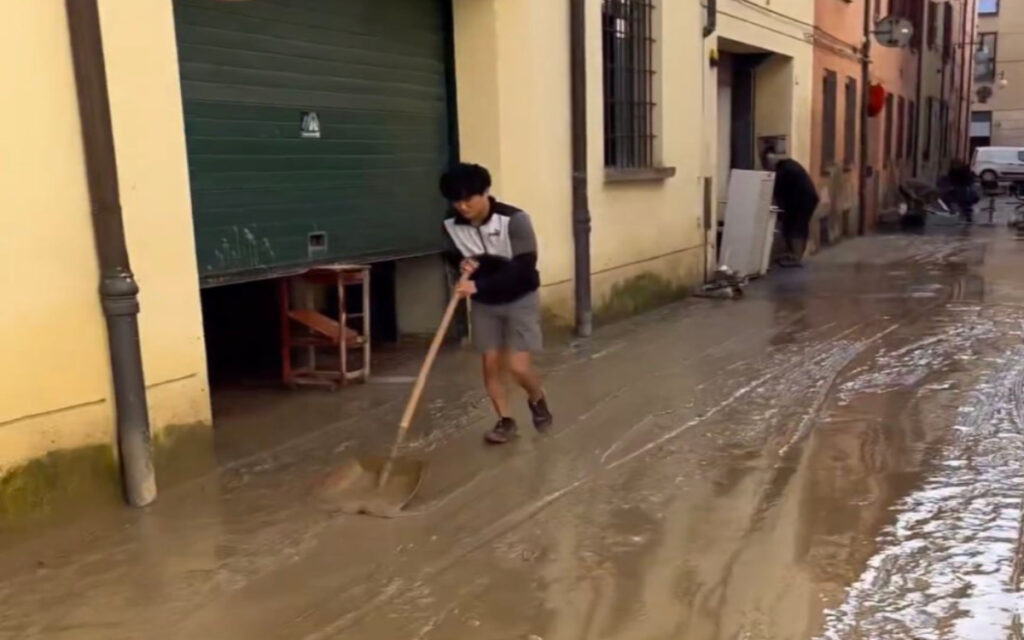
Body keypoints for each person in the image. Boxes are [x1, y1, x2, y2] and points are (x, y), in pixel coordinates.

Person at [439, 163, 553, 444]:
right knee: (490, 365)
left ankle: (536, 398)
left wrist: (478, 285)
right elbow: (451, 253)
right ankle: (505, 421)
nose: (462, 206)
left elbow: (524, 268)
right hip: (485, 304)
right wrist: (460, 263)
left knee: (518, 367)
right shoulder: (450, 224)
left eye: (468, 199)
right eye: (456, 201)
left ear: (485, 193)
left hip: (519, 297)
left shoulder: (514, 220)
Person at [762, 148, 820, 267]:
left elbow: (779, 194)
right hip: (807, 198)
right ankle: (795, 255)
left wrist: (780, 212)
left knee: (795, 226)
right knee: (800, 226)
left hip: (802, 200)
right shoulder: (788, 165)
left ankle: (795, 257)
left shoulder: (783, 171)